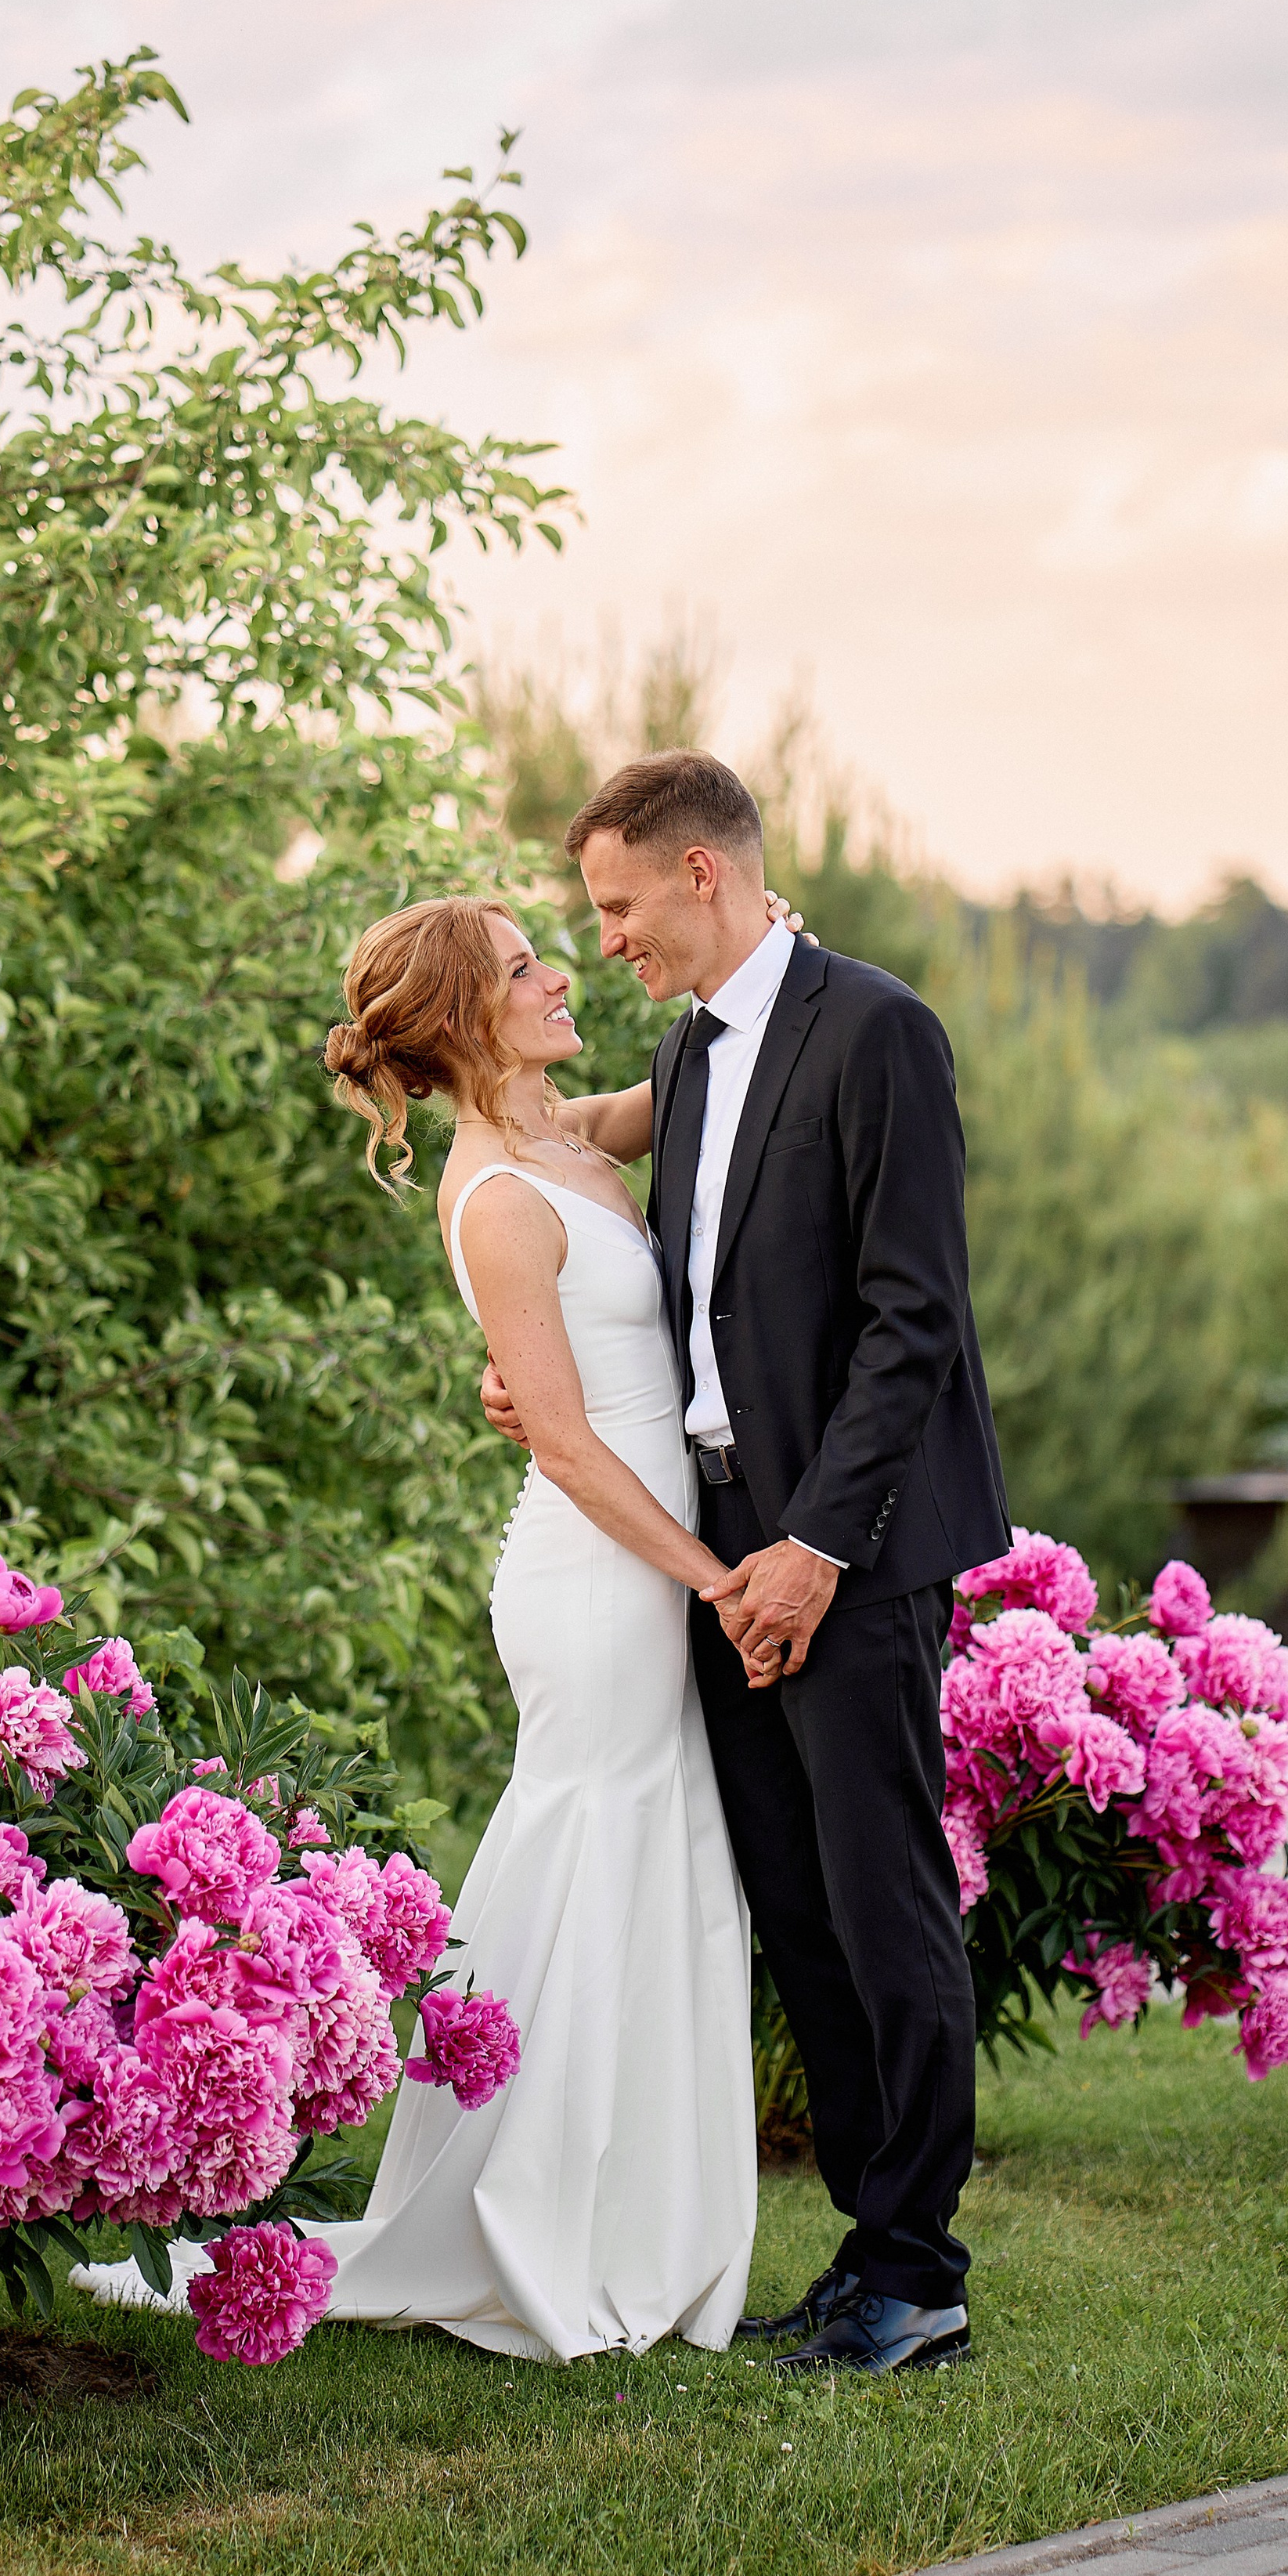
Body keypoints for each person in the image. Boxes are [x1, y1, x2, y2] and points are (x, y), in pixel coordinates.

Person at [483, 750, 1009, 2375]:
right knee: (796, 1905)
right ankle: (869, 2249)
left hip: (841, 1552)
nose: (610, 937)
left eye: (619, 905)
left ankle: (918, 2269)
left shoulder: (878, 1032)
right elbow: (574, 1185)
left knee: (880, 1896)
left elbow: (912, 1318)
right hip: (718, 1546)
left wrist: (814, 1549)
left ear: (702, 874)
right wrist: (531, 1342)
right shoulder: (690, 1059)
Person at [300, 893, 758, 2361]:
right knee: (603, 1872)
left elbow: (687, 1081)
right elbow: (559, 1443)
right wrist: (716, 1578)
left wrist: (749, 946)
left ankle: (629, 2206)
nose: (560, 973)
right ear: (459, 1019)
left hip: (642, 1563)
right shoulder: (498, 1196)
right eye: (520, 969)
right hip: (599, 1578)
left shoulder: (568, 1134)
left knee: (645, 1872)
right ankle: (547, 2224)